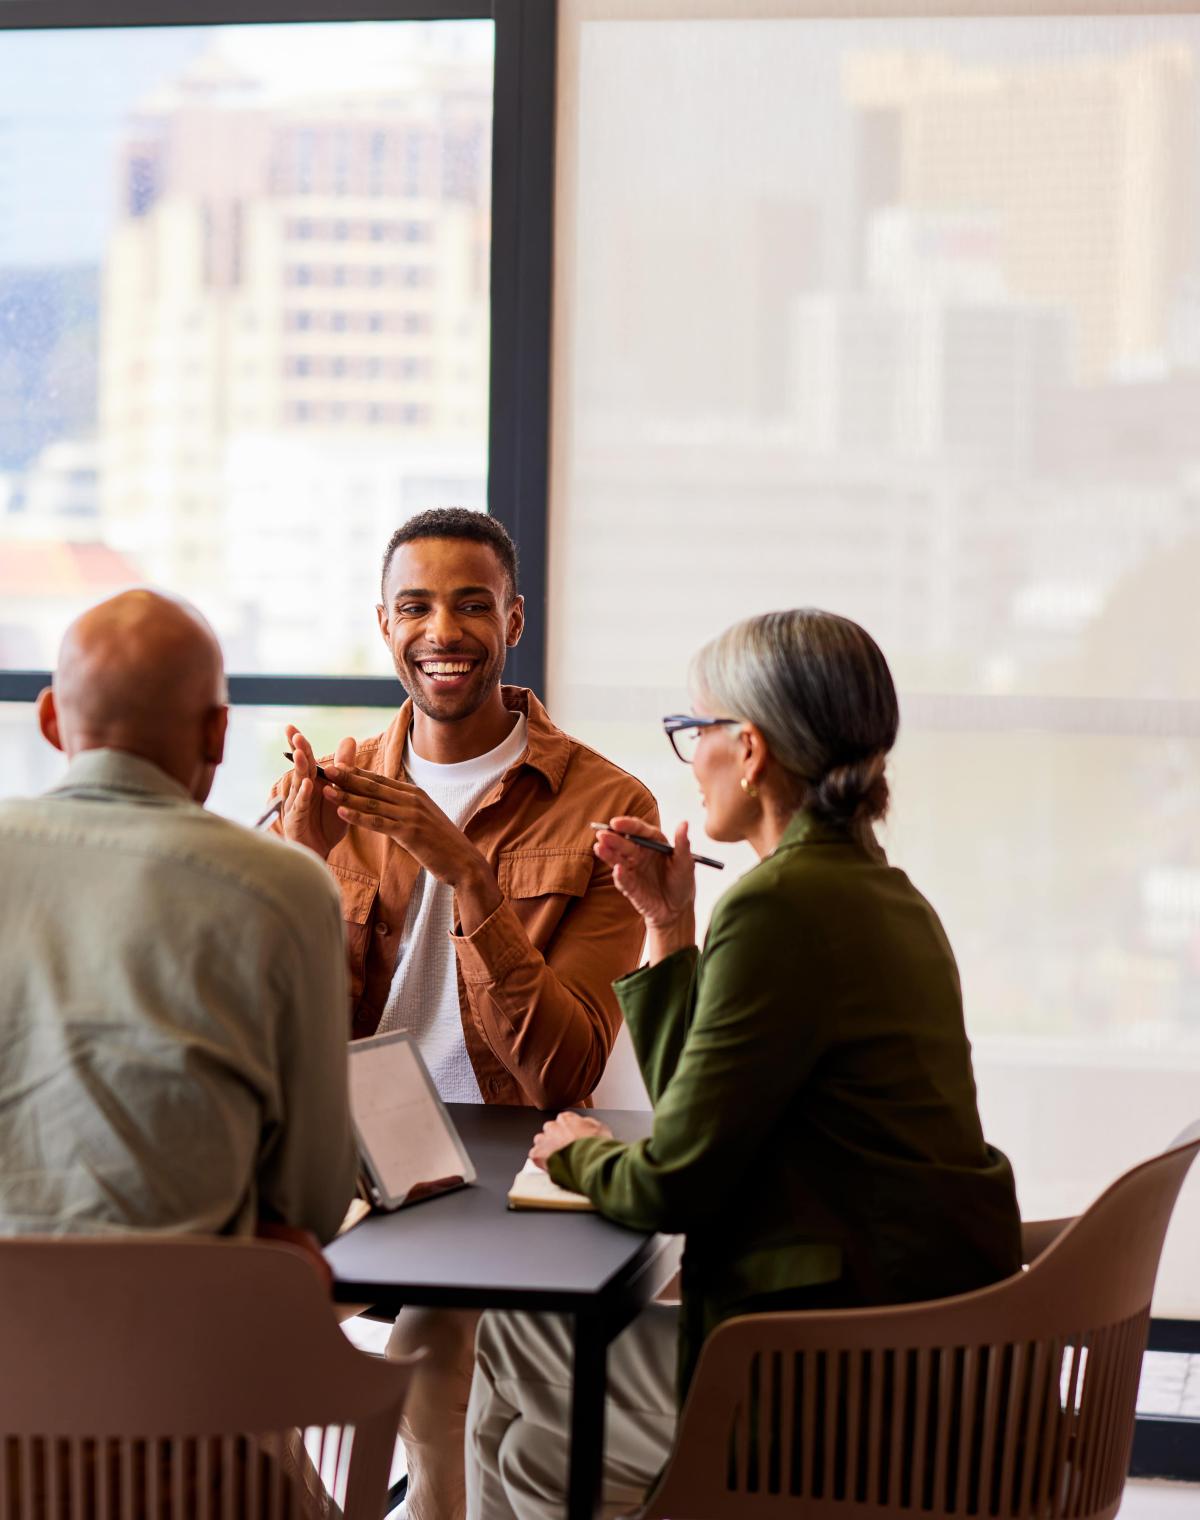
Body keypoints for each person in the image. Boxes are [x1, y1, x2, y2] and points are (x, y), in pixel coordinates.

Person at [465, 608, 1023, 1520]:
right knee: (526, 1400)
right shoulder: (883, 894)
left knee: (521, 1375)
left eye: (693, 731)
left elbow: (676, 1184)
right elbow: (709, 1109)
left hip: (835, 1383)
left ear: (751, 750)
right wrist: (668, 923)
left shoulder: (781, 908)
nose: (688, 756)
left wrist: (570, 1150)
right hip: (925, 1345)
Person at [273, 508, 657, 1520]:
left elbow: (564, 1067)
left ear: (514, 618)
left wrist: (465, 871)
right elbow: (278, 1030)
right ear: (385, 624)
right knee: (221, 1329)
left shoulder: (605, 804)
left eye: (472, 603)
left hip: (502, 1162)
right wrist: (299, 868)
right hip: (359, 1154)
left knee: (428, 1352)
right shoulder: (334, 784)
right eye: (417, 605)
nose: (443, 629)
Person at [0, 589, 357, 1246]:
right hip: (184, 1329)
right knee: (437, 1329)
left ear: (51, 720)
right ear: (218, 733)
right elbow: (311, 1199)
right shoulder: (286, 887)